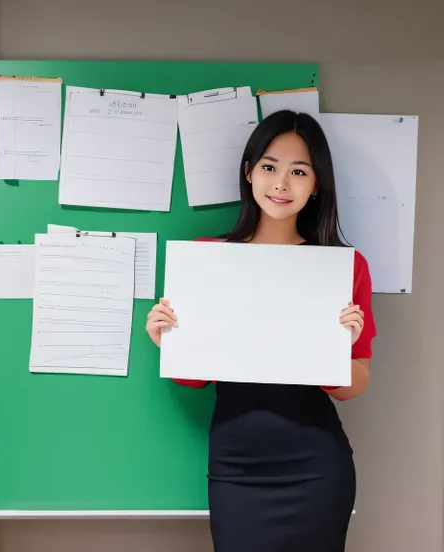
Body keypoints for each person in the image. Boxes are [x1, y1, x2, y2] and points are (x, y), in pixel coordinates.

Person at [145, 110, 376, 552]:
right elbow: (193, 378)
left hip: (316, 466)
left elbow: (355, 384)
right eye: (269, 167)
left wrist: (334, 350)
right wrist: (167, 341)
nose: (281, 184)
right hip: (236, 465)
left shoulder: (343, 267)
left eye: (299, 172)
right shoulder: (206, 259)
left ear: (316, 185)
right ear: (249, 173)